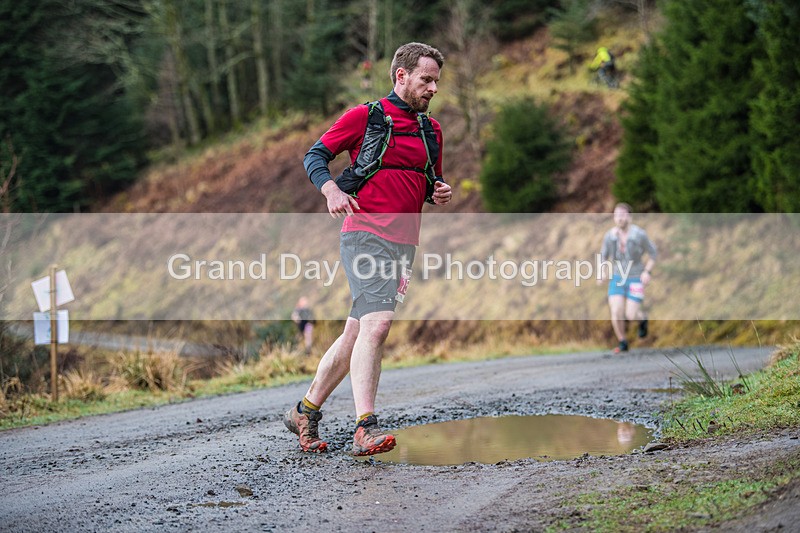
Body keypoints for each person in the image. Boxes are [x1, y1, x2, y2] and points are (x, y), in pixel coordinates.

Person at [284, 42, 452, 456]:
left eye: (436, 82)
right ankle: (365, 427)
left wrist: (437, 191)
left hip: (404, 243)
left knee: (357, 332)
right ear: (401, 76)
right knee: (378, 326)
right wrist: (330, 190)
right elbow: (315, 155)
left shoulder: (431, 131)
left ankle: (305, 411)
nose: (433, 88)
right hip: (364, 233)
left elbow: (425, 181)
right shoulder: (366, 116)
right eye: (426, 79)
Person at [598, 202, 657, 353]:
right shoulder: (610, 236)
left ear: (630, 217)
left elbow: (653, 254)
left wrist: (647, 272)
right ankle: (622, 341)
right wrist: (602, 273)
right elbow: (603, 256)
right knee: (616, 310)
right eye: (617, 215)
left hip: (636, 277)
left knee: (631, 315)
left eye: (623, 215)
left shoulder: (639, 234)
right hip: (618, 277)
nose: (620, 218)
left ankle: (642, 319)